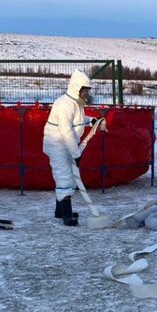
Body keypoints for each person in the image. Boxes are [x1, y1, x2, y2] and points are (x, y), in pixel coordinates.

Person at [43, 70, 100, 226]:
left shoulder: (76, 103)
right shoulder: (63, 104)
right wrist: (76, 153)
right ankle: (67, 215)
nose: (86, 94)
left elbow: (78, 120)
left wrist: (91, 121)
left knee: (66, 175)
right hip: (57, 144)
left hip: (67, 144)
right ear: (76, 88)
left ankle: (60, 210)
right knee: (64, 176)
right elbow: (66, 131)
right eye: (85, 90)